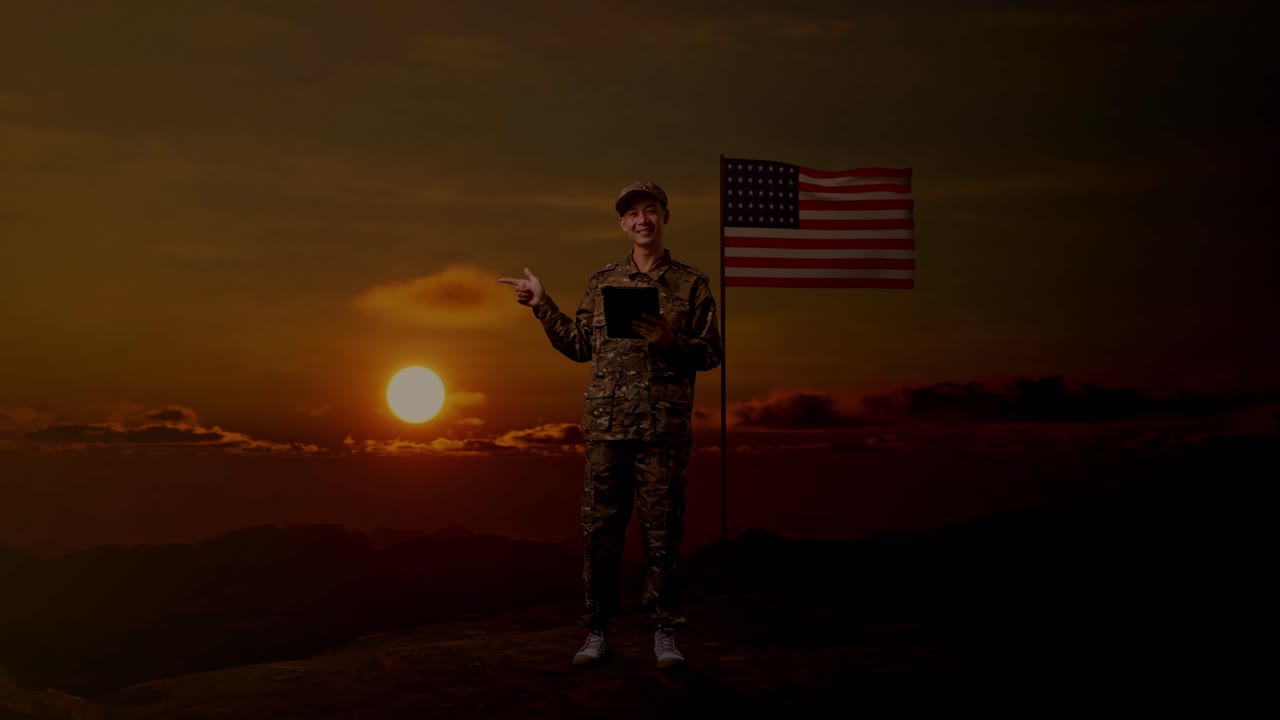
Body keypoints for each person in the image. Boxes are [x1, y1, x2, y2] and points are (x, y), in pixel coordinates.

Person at [498, 181, 723, 669]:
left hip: (662, 429)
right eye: (633, 213)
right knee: (600, 532)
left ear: (665, 217)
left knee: (662, 532)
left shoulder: (691, 283)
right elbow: (580, 345)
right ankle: (597, 630)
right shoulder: (603, 281)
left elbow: (711, 354)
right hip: (607, 428)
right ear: (623, 224)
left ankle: (664, 632)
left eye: (651, 210)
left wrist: (671, 341)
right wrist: (541, 304)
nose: (643, 219)